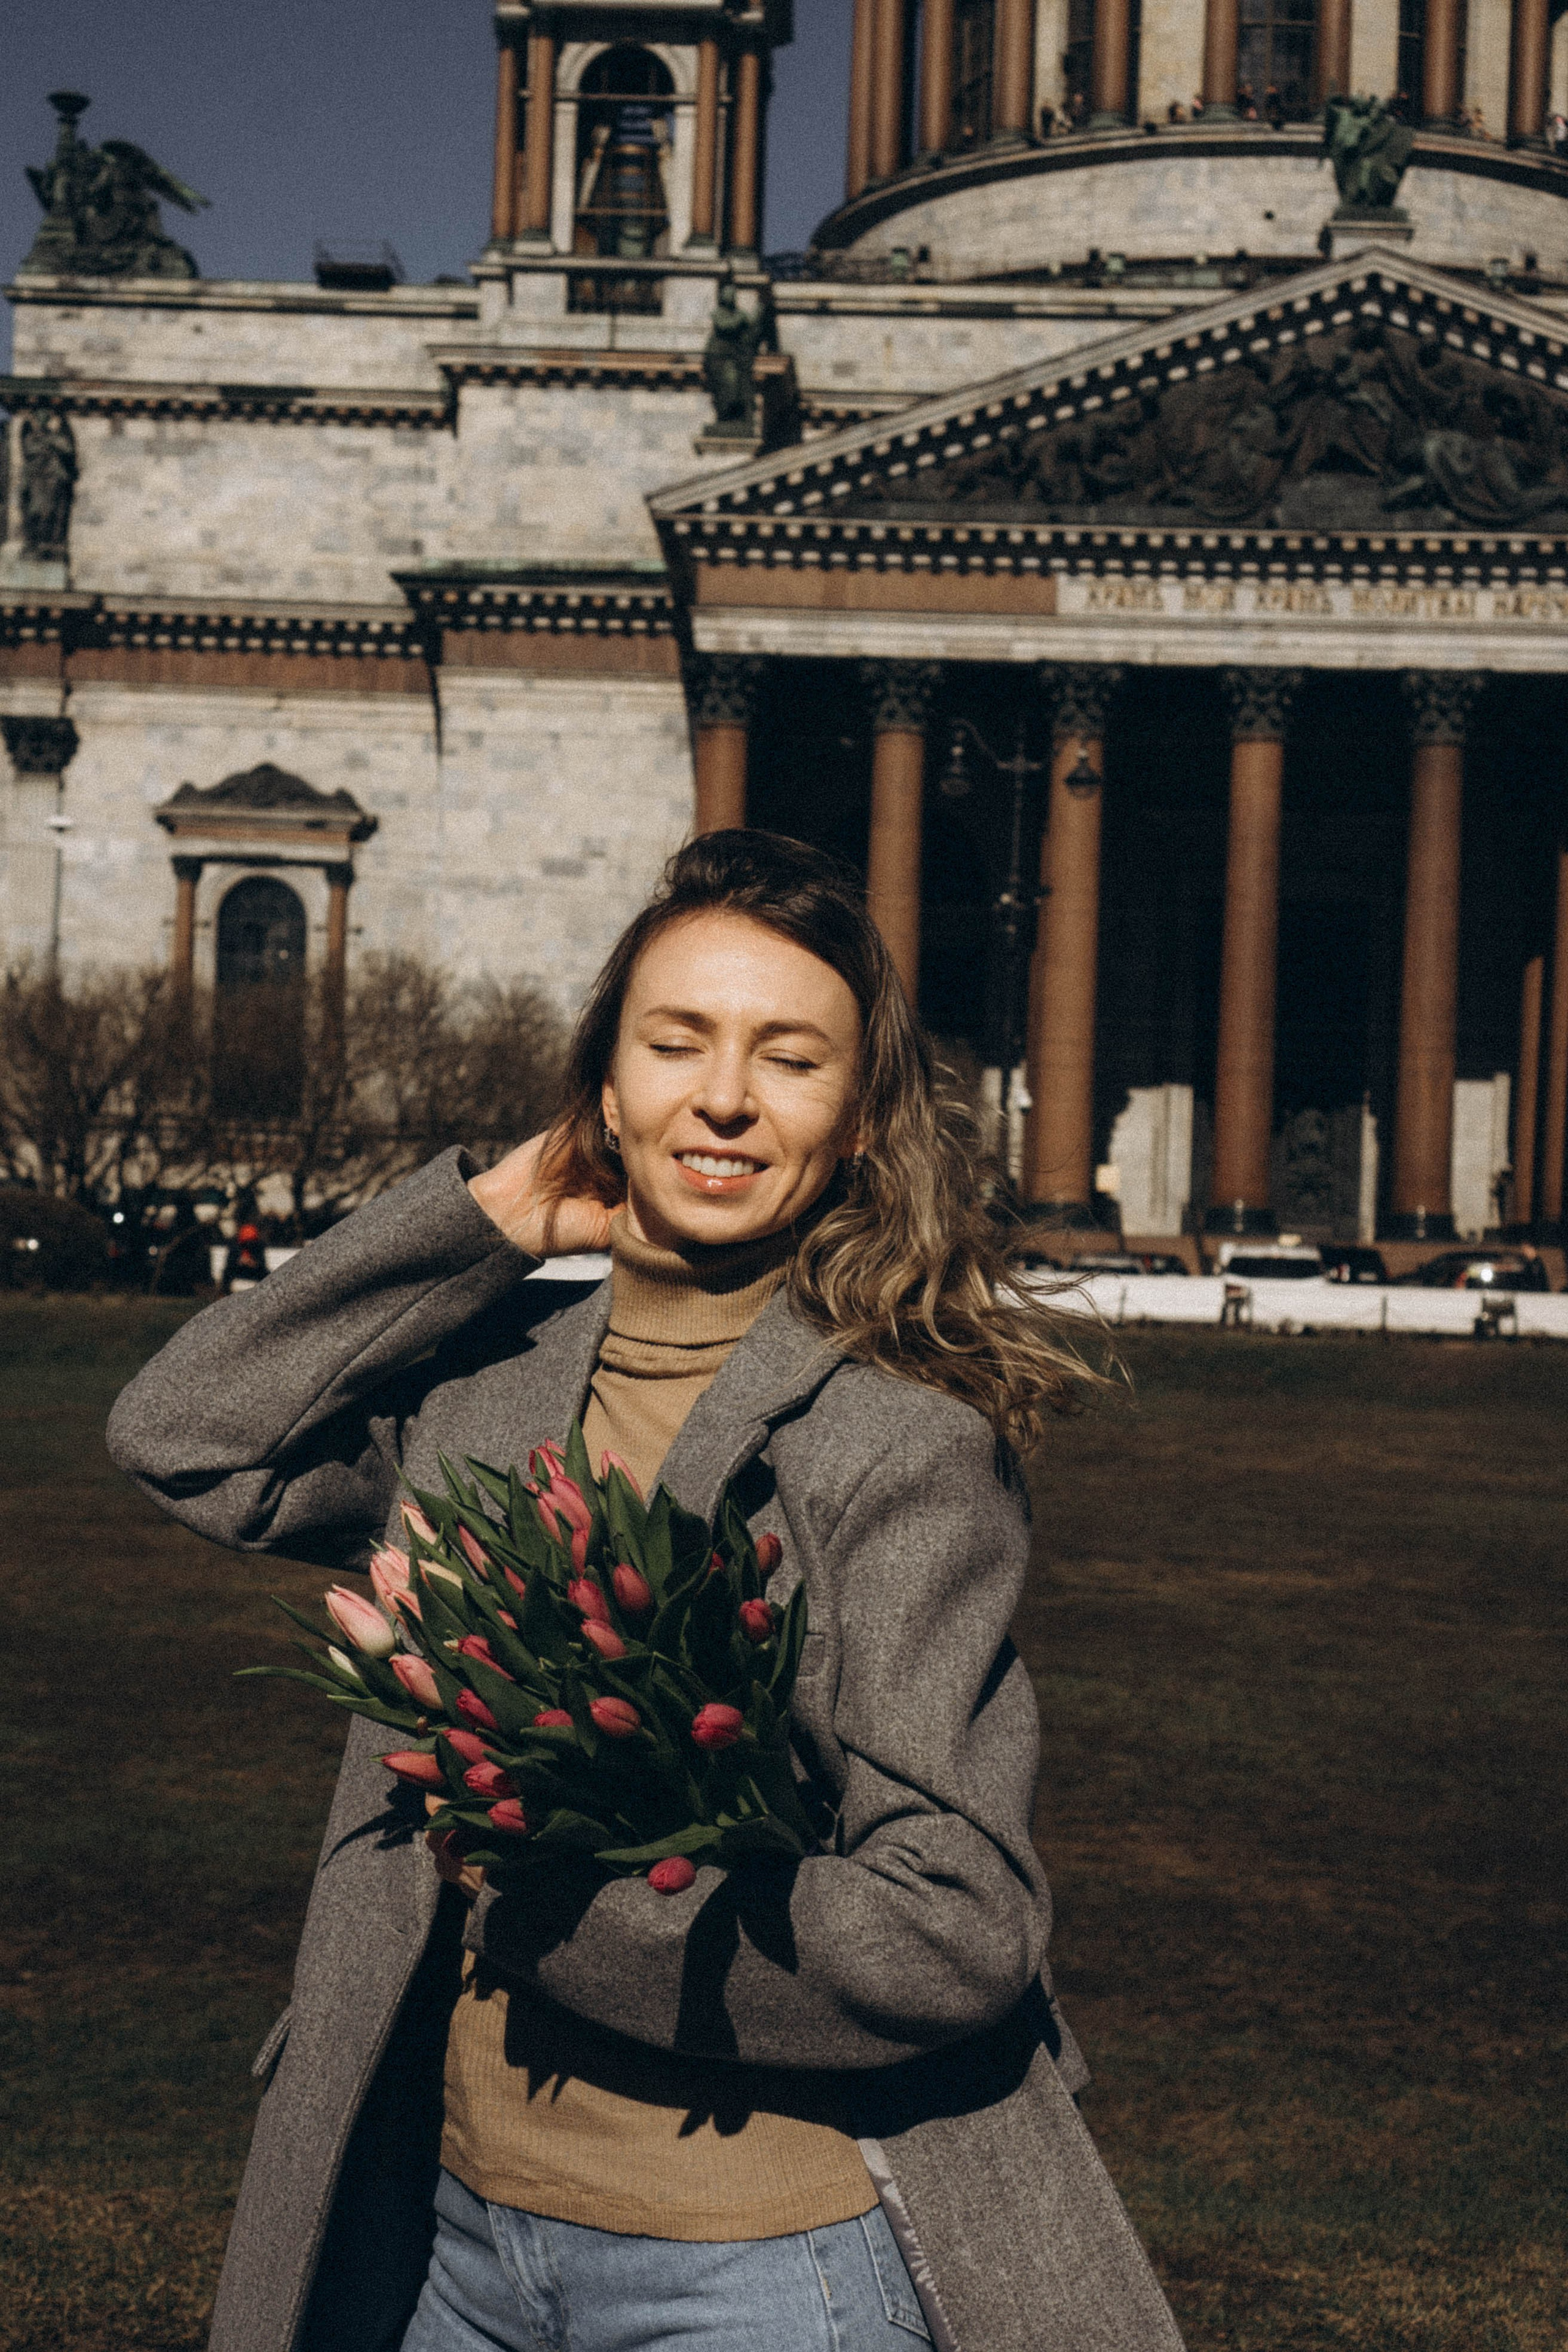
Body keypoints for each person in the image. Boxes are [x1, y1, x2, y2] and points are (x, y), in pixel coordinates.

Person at [108, 832, 1186, 2352]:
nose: (724, 1097)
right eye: (675, 1043)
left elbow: (951, 1927)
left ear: (857, 1123)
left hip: (753, 2266)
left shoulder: (896, 1447)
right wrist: (484, 1219)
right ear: (603, 1092)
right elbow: (186, 1437)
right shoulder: (487, 1394)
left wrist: (547, 1905)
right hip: (443, 2237)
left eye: (789, 1059)